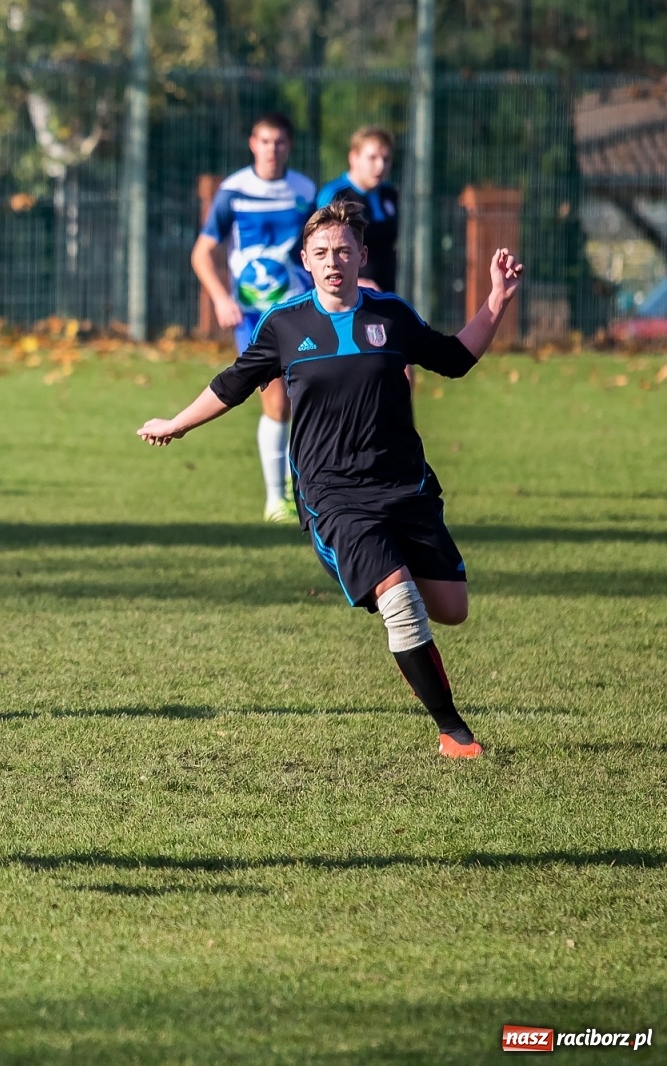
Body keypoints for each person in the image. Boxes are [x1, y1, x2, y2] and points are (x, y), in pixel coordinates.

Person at [140, 199, 523, 760]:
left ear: (361, 255)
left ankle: (408, 630)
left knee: (452, 608)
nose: (332, 261)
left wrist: (497, 300)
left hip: (404, 485)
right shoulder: (285, 324)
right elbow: (233, 383)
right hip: (333, 494)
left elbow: (455, 358)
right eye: (320, 252)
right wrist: (177, 423)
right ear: (305, 260)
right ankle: (453, 732)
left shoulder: (390, 315)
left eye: (343, 251)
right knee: (399, 599)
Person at [190, 112, 316, 524]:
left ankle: (302, 488)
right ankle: (276, 498)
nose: (272, 149)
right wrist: (220, 298)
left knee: (305, 399)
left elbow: (318, 246)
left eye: (279, 142)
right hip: (253, 315)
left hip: (299, 308)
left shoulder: (304, 191)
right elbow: (202, 253)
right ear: (252, 144)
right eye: (264, 141)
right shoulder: (233, 191)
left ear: (289, 146)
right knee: (275, 400)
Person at [317, 127, 400, 293]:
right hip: (346, 294)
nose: (380, 165)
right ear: (353, 158)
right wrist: (355, 281)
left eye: (386, 159)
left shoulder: (390, 194)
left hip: (384, 293)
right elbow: (320, 250)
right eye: (372, 158)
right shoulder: (335, 194)